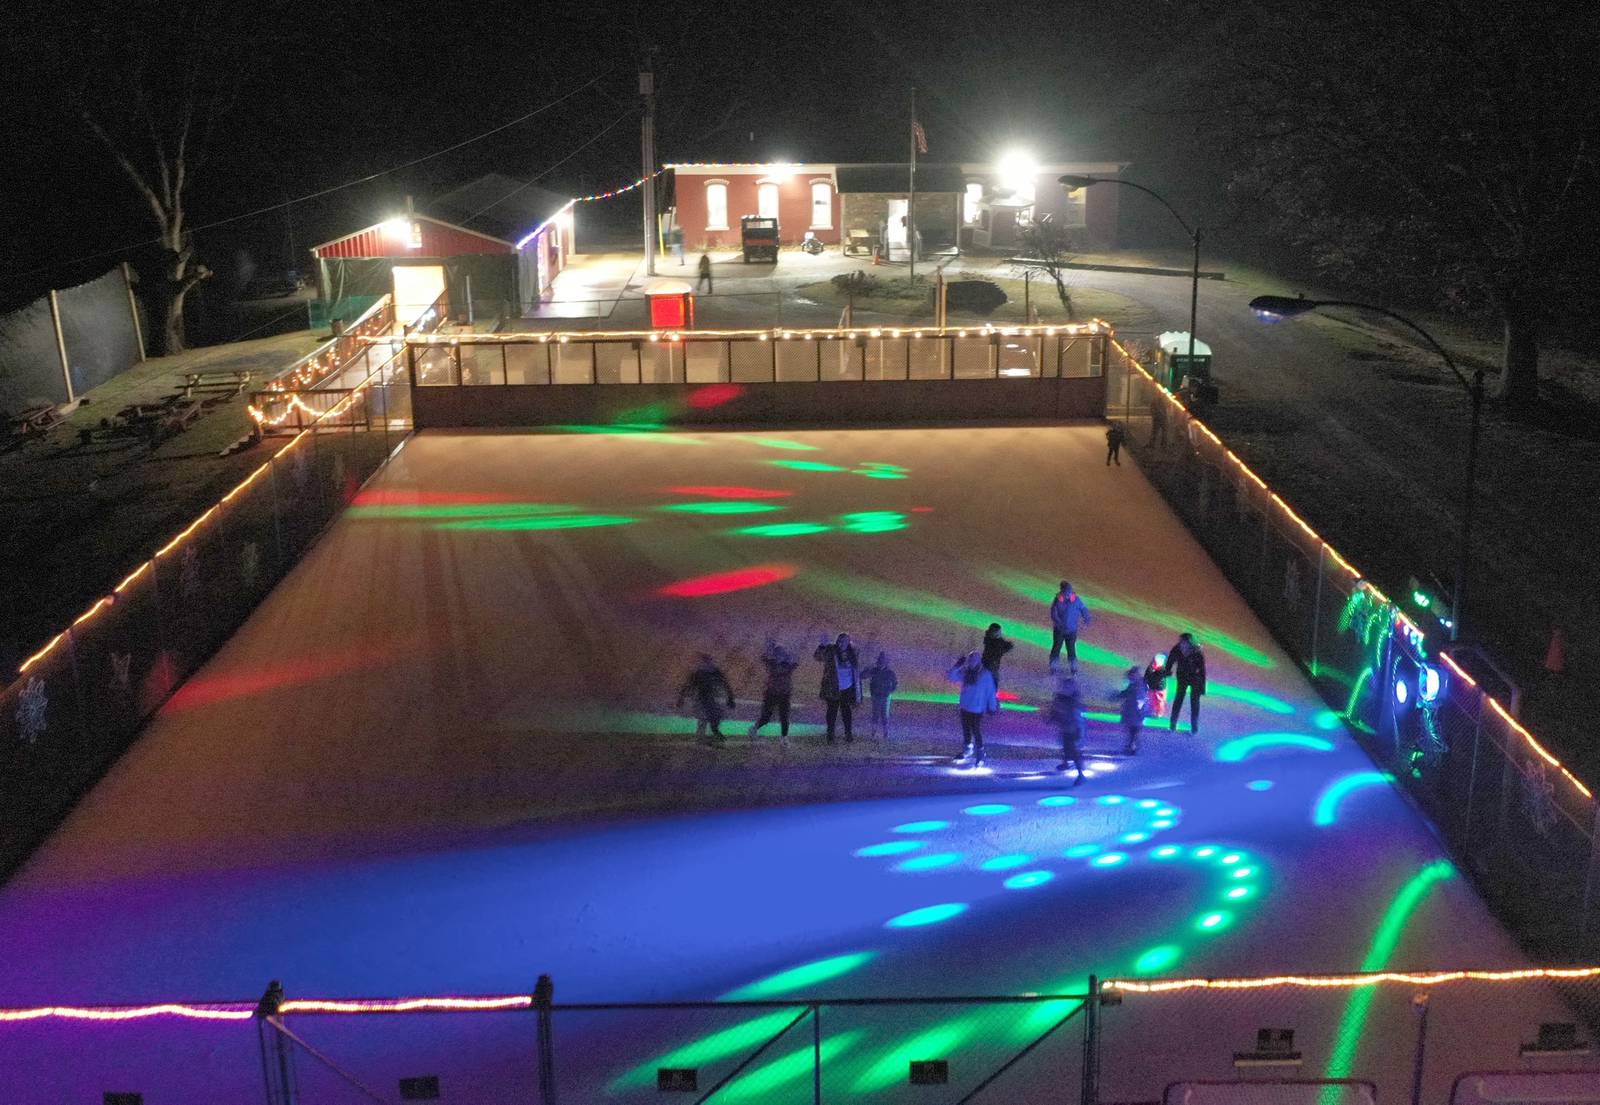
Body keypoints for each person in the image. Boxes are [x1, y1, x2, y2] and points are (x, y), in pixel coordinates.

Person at [947, 650, 998, 766]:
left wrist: (992, 706)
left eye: (974, 659)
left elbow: (990, 691)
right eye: (970, 659)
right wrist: (957, 666)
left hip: (977, 708)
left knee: (976, 730)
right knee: (966, 730)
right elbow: (951, 677)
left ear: (979, 661)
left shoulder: (985, 674)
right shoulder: (965, 672)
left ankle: (980, 754)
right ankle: (967, 750)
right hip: (965, 706)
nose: (971, 662)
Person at [676, 653, 735, 746]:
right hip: (704, 699)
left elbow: (687, 686)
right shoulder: (707, 672)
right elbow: (725, 684)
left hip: (707, 699)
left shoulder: (704, 672)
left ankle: (708, 736)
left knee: (709, 719)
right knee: (707, 719)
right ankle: (707, 737)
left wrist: (681, 698)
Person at [815, 632, 862, 743]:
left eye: (844, 641)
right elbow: (818, 657)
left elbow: (857, 668)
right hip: (832, 688)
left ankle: (848, 734)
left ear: (848, 642)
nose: (841, 643)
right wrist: (822, 645)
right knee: (832, 712)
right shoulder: (831, 650)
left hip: (848, 688)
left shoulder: (853, 653)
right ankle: (830, 735)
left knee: (846, 712)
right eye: (840, 641)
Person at [750, 639, 798, 743]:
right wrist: (769, 647)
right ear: (775, 655)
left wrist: (792, 650)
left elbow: (796, 661)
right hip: (771, 693)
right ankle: (754, 729)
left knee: (784, 717)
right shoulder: (771, 663)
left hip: (784, 694)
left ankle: (784, 737)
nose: (780, 655)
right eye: (778, 653)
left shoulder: (787, 665)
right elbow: (763, 657)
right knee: (766, 716)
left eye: (782, 653)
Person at [1048, 666, 1087, 783]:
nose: (1064, 688)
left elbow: (1075, 716)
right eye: (1064, 686)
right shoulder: (1060, 698)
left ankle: (1081, 774)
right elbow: (1055, 711)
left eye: (1067, 687)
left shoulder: (1074, 701)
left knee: (1074, 751)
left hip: (1075, 729)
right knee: (1065, 746)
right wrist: (1052, 717)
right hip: (1066, 728)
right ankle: (1065, 762)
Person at [1164, 632, 1207, 734]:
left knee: (1194, 703)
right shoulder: (1177, 649)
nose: (1181, 644)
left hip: (1195, 678)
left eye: (1184, 642)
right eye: (1181, 642)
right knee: (1178, 699)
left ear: (1189, 643)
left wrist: (1202, 687)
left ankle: (1194, 728)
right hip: (1182, 677)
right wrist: (1167, 671)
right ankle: (1172, 725)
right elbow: (1170, 660)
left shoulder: (1197, 652)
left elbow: (1202, 670)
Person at [1048, 581, 1092, 671]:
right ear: (1062, 592)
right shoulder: (1058, 600)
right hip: (1059, 630)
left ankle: (1073, 665)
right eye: (1066, 592)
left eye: (1069, 592)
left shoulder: (1076, 600)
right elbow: (1053, 613)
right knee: (1056, 647)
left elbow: (1083, 608)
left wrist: (1087, 618)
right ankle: (1053, 663)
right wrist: (1058, 622)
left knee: (1071, 649)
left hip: (1071, 630)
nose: (1068, 594)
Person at [862, 651, 899, 739]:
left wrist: (890, 691)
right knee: (876, 714)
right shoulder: (874, 671)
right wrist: (867, 669)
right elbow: (862, 676)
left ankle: (885, 733)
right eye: (880, 660)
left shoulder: (890, 673)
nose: (881, 662)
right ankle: (874, 733)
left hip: (885, 696)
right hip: (876, 696)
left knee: (884, 715)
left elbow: (895, 683)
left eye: (883, 661)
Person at [1114, 666, 1146, 754]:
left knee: (1134, 731)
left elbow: (1141, 699)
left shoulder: (1139, 686)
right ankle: (1131, 746)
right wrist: (1118, 695)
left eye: (1132, 675)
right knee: (1132, 731)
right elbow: (1126, 693)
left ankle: (1133, 747)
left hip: (1135, 713)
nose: (1130, 677)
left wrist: (1140, 710)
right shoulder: (1133, 685)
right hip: (1132, 713)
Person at [981, 623, 1015, 689]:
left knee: (990, 683)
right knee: (990, 683)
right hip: (990, 666)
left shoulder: (993, 640)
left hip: (991, 666)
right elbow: (1008, 646)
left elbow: (1008, 646)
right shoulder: (993, 642)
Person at [1143, 653, 1169, 720]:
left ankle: (1159, 714)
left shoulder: (1162, 670)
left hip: (1159, 689)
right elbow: (1146, 676)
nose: (1154, 663)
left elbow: (1159, 678)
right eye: (1154, 661)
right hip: (1152, 688)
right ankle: (1151, 711)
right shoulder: (1150, 668)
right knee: (1151, 700)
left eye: (1156, 661)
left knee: (1159, 701)